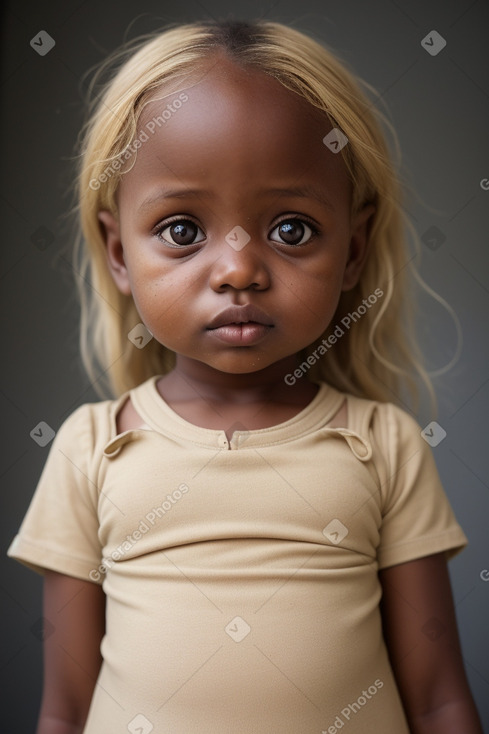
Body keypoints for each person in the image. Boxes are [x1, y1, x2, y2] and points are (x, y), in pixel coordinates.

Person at [7, 18, 483, 734]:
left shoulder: (383, 445)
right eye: (182, 230)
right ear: (117, 252)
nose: (237, 270)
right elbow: (63, 710)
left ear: (352, 251)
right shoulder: (90, 449)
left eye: (290, 228)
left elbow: (439, 698)